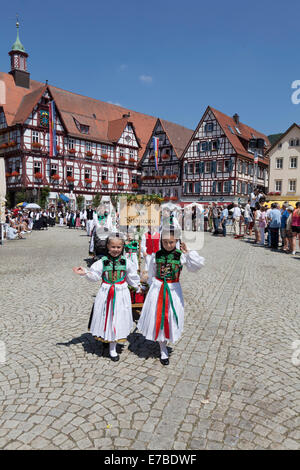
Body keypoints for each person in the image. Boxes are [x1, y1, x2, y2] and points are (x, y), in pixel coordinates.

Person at [137, 227, 205, 366]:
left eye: (172, 242)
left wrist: (188, 252)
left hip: (174, 291)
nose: (169, 245)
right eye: (166, 242)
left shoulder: (180, 255)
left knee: (171, 317)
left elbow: (197, 266)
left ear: (177, 241)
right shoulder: (156, 255)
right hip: (158, 289)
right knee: (159, 317)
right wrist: (149, 287)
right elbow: (151, 273)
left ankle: (167, 340)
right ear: (161, 241)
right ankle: (163, 349)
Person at [72, 234, 141, 362]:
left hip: (121, 294)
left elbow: (132, 278)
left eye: (118, 247)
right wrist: (86, 272)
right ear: (108, 247)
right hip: (106, 292)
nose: (116, 249)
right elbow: (95, 275)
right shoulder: (102, 262)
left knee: (118, 317)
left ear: (122, 247)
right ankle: (106, 338)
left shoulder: (127, 262)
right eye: (113, 246)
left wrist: (138, 287)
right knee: (106, 316)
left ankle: (113, 347)